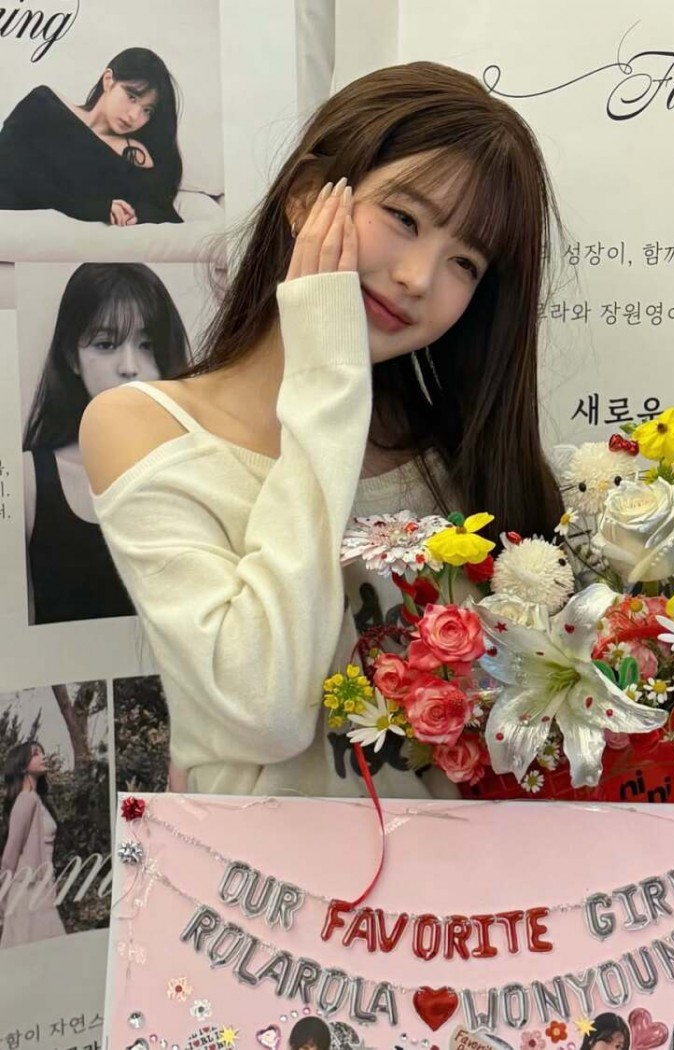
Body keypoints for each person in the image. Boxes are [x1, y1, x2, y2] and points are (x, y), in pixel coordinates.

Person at [79, 61, 564, 799]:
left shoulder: (460, 459)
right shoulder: (143, 426)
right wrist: (326, 374)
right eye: (404, 219)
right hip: (260, 871)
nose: (418, 277)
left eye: (465, 262)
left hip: (460, 875)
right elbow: (264, 711)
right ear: (307, 196)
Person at [24, 263, 191, 624]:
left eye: (147, 345)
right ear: (72, 357)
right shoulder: (28, 481)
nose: (130, 366)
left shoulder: (195, 469)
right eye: (106, 344)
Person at [0, 47, 183, 225]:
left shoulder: (132, 155)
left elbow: (160, 214)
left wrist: (130, 215)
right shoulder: (43, 104)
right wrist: (88, 207)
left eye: (147, 110)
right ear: (108, 80)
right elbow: (8, 166)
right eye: (131, 97)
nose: (134, 116)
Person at [0, 741, 65, 948]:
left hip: (41, 887)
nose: (42, 757)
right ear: (22, 766)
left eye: (42, 753)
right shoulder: (26, 800)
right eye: (36, 754)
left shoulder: (37, 800)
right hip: (27, 890)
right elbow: (10, 853)